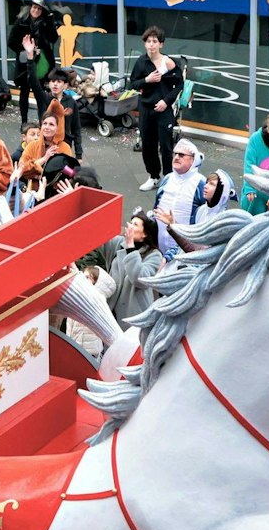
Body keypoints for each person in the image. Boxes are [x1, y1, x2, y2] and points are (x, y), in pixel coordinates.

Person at [87, 212, 166, 324]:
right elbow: (99, 236)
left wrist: (130, 248)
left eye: (135, 224)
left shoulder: (154, 255)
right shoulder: (119, 243)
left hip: (134, 317)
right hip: (110, 312)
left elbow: (140, 279)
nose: (129, 226)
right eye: (130, 222)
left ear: (145, 234)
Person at [128, 27, 182, 191]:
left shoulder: (169, 62)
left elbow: (179, 85)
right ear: (145, 44)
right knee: (148, 145)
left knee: (166, 146)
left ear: (161, 44)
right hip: (146, 109)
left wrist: (166, 101)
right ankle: (153, 176)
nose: (151, 45)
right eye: (148, 41)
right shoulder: (141, 62)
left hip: (164, 110)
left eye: (155, 41)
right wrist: (147, 79)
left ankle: (169, 177)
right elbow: (133, 83)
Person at [151, 139, 210, 258]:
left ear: (193, 160)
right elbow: (156, 207)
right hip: (159, 248)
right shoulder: (167, 179)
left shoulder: (201, 183)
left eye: (182, 155)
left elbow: (207, 219)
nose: (177, 157)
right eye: (175, 154)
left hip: (185, 252)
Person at [7, 0, 58, 124]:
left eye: (39, 9)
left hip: (41, 63)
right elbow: (11, 42)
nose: (36, 10)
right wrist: (25, 49)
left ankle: (42, 121)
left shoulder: (45, 23)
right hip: (25, 63)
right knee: (24, 92)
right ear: (30, 8)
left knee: (39, 93)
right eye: (34, 7)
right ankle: (24, 122)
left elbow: (53, 39)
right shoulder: (21, 22)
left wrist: (51, 22)